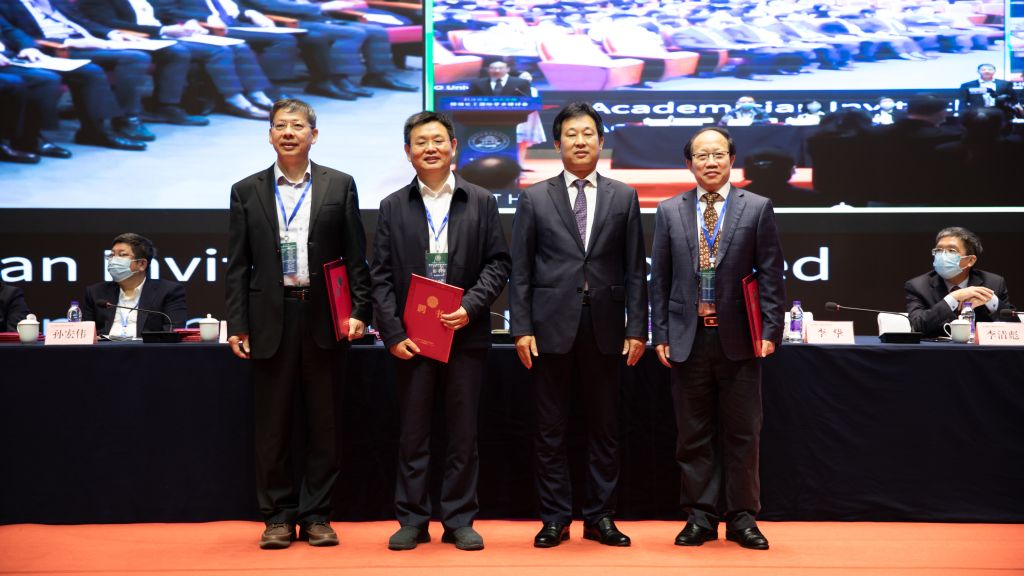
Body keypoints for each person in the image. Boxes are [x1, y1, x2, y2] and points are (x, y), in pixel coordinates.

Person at [225, 98, 372, 549]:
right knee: (273, 425)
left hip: (325, 315)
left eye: (297, 125)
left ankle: (317, 516)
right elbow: (238, 264)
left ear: (314, 134)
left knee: (323, 423)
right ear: (269, 135)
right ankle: (277, 516)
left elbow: (355, 256)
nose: (288, 132)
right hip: (271, 316)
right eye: (280, 126)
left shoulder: (339, 184)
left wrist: (360, 310)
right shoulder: (246, 190)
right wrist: (239, 323)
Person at [509, 101, 647, 549]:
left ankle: (600, 517)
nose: (580, 141)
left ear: (601, 141)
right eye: (571, 134)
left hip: (606, 327)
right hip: (549, 327)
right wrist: (521, 327)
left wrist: (637, 328)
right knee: (550, 430)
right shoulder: (534, 197)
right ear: (557, 143)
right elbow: (521, 270)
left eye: (588, 133)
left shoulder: (624, 196)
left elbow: (634, 269)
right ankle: (555, 518)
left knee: (605, 428)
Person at [370, 111, 510, 552]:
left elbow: (498, 263)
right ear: (408, 151)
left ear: (453, 146)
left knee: (462, 434)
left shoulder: (481, 201)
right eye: (420, 142)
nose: (429, 148)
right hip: (413, 339)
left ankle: (459, 519)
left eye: (437, 140)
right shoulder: (393, 205)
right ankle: (412, 519)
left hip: (465, 335)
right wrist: (393, 334)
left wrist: (470, 307)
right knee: (413, 433)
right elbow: (380, 277)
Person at [648, 127, 785, 551]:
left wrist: (770, 329)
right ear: (689, 163)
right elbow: (660, 279)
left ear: (731, 159)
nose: (711, 162)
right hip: (687, 338)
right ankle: (700, 517)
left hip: (740, 337)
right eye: (702, 155)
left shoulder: (757, 207)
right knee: (693, 436)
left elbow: (771, 274)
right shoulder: (669, 210)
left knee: (743, 433)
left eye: (718, 154)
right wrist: (660, 333)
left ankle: (743, 519)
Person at [78, 0, 283, 119]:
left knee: (232, 46)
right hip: (142, 36)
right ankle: (234, 100)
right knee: (201, 51)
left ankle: (257, 94)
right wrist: (164, 29)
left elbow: (164, 12)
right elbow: (108, 21)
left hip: (165, 32)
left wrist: (187, 23)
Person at [905, 226, 1017, 337]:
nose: (943, 256)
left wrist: (991, 301)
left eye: (951, 251)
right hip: (937, 348)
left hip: (980, 348)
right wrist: (952, 299)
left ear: (970, 260)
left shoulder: (994, 283)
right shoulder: (918, 286)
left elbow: (1016, 328)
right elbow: (917, 326)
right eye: (938, 250)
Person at [81, 233, 188, 337]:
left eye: (122, 255)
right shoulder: (95, 292)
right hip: (104, 348)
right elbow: (84, 335)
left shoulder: (168, 291)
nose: (113, 260)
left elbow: (172, 333)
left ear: (142, 264)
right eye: (112, 255)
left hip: (146, 348)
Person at [466, 60, 531, 96]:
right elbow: (467, 99)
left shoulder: (522, 82)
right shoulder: (477, 83)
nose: (497, 71)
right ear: (488, 70)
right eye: (493, 68)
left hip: (514, 114)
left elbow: (528, 100)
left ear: (508, 69)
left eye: (500, 68)